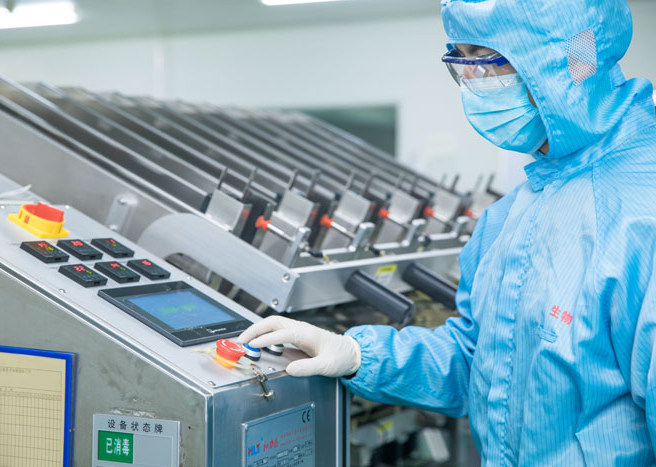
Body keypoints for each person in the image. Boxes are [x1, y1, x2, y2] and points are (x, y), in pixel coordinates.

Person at [238, 0, 656, 463]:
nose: (473, 80)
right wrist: (357, 355)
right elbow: (480, 361)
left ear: (565, 61)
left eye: (485, 58)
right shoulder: (512, 215)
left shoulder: (643, 214)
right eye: (460, 59)